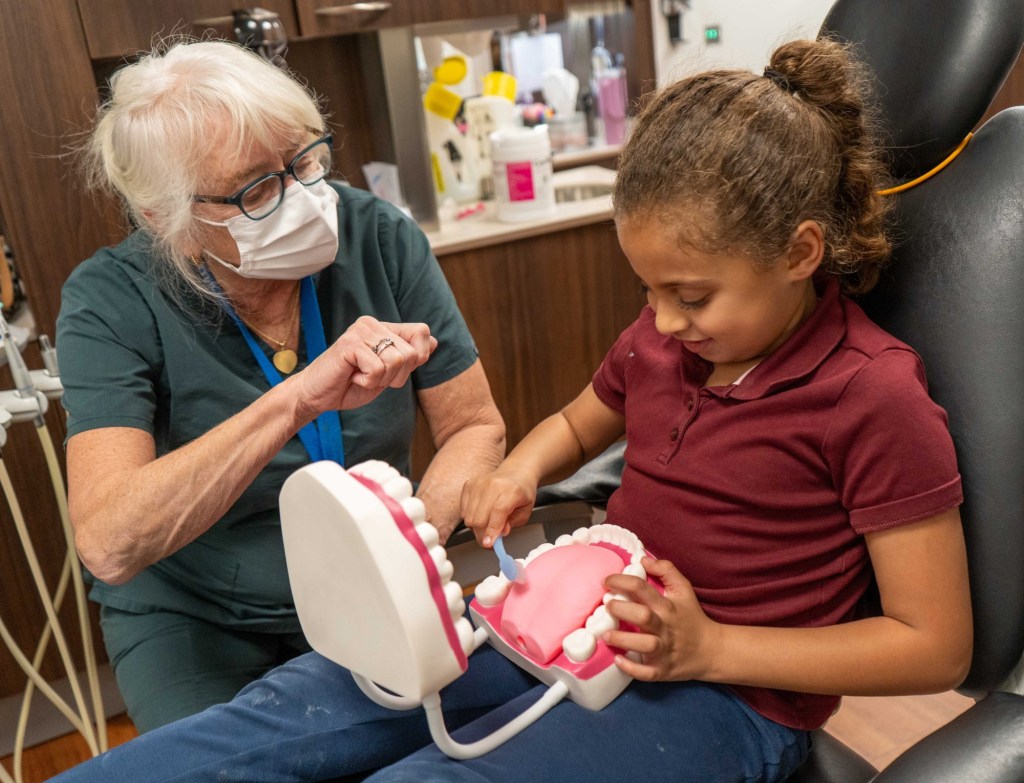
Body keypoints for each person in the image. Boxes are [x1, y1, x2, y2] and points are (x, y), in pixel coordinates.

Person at [51, 37, 971, 782]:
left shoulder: (872, 394)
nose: (657, 319)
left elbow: (933, 646)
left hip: (722, 689)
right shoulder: (672, 338)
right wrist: (520, 473)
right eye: (646, 289)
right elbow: (580, 422)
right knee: (270, 728)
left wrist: (710, 646)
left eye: (688, 294)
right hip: (561, 619)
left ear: (802, 251)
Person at [55, 39, 505, 733]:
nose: (301, 198)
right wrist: (298, 397)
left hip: (376, 585)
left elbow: (474, 426)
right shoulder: (111, 301)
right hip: (197, 615)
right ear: (165, 218)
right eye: (256, 189)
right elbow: (111, 540)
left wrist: (410, 544)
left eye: (303, 160)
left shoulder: (377, 237)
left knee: (433, 749)